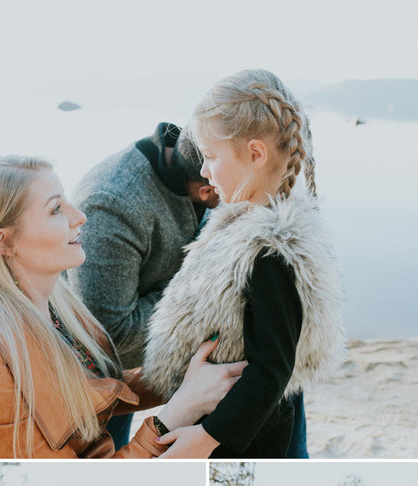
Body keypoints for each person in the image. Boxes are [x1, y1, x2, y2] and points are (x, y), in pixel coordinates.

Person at [0, 155, 246, 460]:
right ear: (3, 241)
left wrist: (183, 373)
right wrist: (181, 409)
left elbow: (97, 392)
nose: (79, 216)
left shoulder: (57, 310)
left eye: (66, 200)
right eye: (55, 209)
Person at [143, 71, 344, 459]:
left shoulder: (270, 249)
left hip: (245, 438)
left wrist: (207, 437)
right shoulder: (238, 225)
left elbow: (273, 368)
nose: (203, 171)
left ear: (255, 154)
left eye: (212, 157)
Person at [72, 121, 218, 448]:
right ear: (207, 189)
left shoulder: (198, 162)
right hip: (92, 376)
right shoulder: (111, 205)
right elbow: (111, 334)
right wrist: (204, 290)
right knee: (101, 462)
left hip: (153, 357)